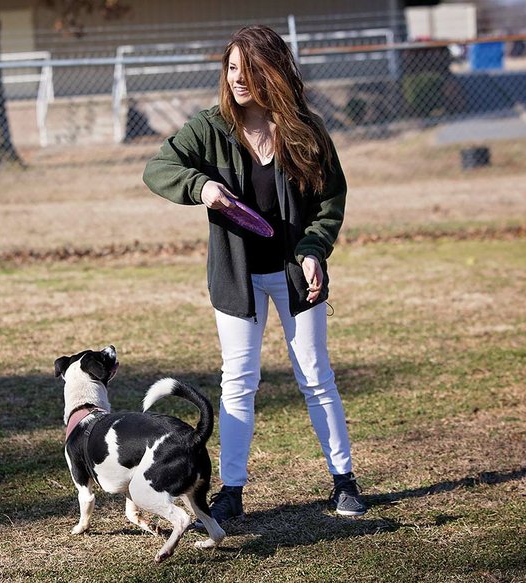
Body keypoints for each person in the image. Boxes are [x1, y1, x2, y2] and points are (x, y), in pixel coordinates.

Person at [142, 25, 366, 521]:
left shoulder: (305, 129)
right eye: (232, 68)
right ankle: (232, 491)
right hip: (236, 278)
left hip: (294, 277)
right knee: (238, 381)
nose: (238, 79)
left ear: (275, 71)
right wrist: (200, 187)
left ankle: (344, 481)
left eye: (250, 69)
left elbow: (329, 201)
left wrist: (313, 250)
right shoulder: (209, 127)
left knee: (316, 377)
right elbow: (159, 168)